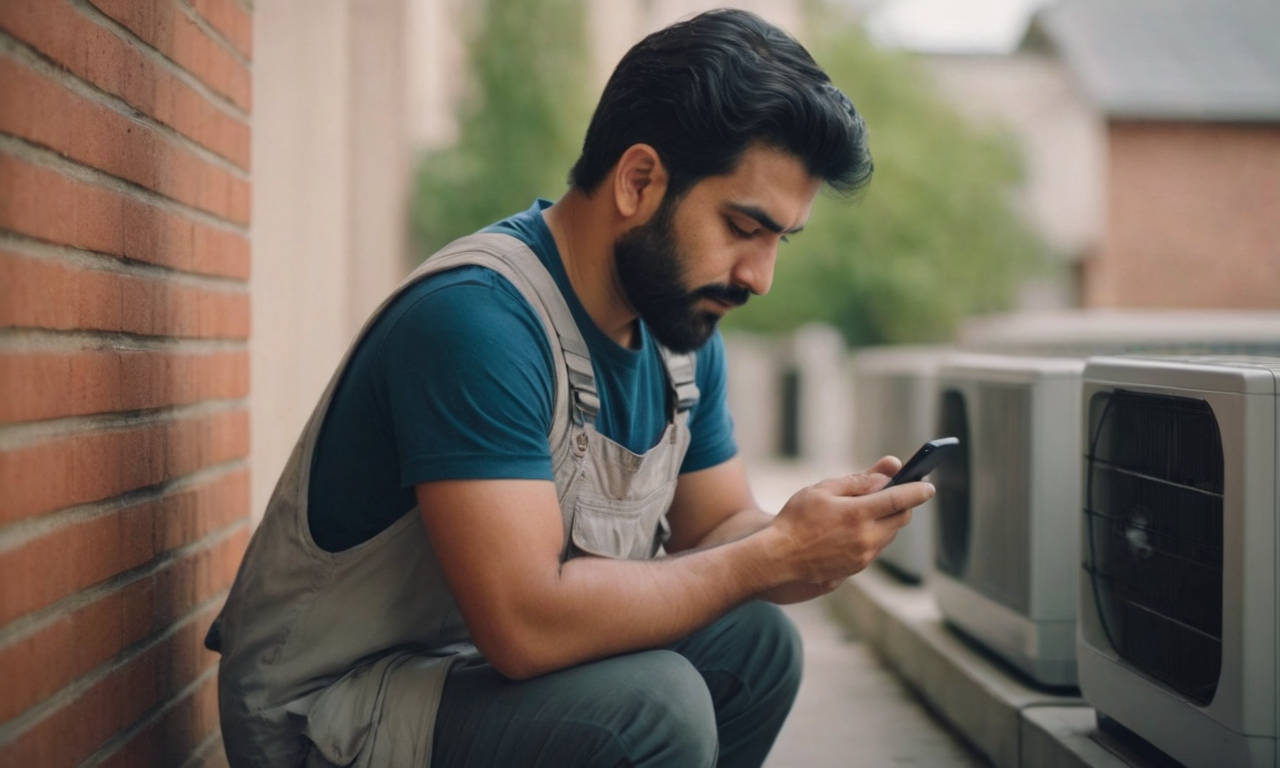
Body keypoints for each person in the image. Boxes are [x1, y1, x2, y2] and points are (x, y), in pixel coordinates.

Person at [209, 8, 933, 768]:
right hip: (330, 711)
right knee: (653, 709)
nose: (760, 277)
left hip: (464, 681)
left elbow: (716, 531)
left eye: (779, 240)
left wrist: (805, 536)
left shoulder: (679, 328)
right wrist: (767, 559)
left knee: (757, 647)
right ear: (639, 180)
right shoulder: (477, 321)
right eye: (742, 227)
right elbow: (526, 627)